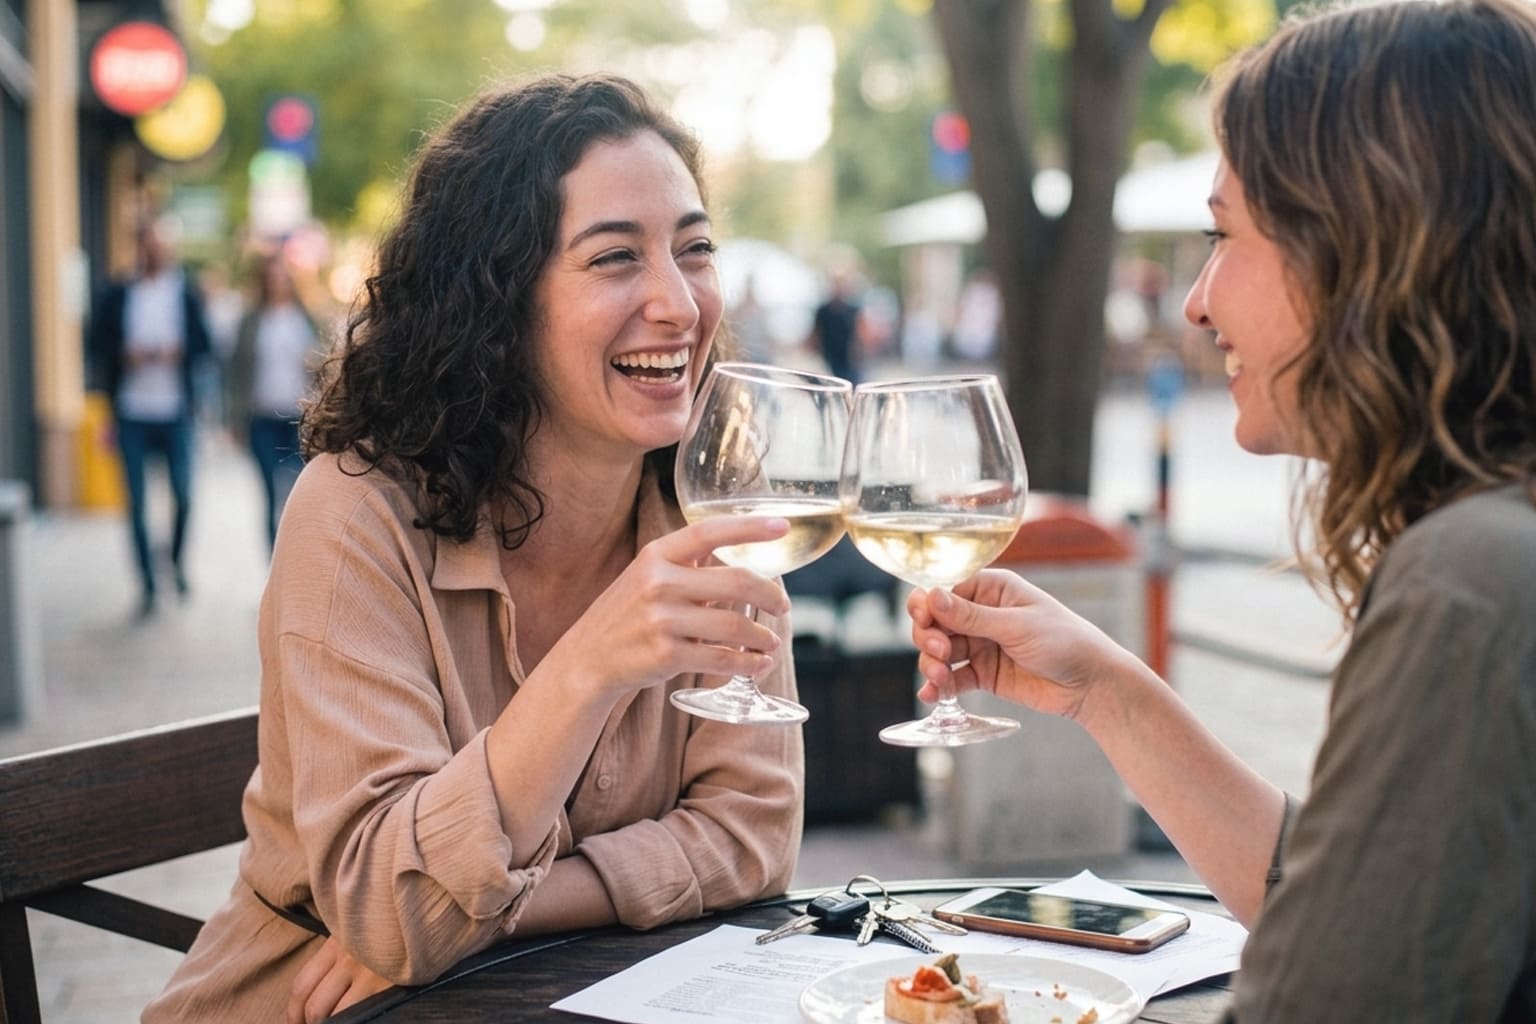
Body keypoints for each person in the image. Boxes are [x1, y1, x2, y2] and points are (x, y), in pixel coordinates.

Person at [907, 2, 1536, 1020]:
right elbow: (1342, 913)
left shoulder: (1471, 577)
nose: (1197, 301)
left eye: (1225, 234)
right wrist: (1108, 691)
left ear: (1365, 245)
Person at [142, 73, 803, 1023]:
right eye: (616, 258)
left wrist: (495, 915)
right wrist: (590, 669)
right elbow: (395, 910)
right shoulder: (359, 513)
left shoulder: (710, 506)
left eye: (693, 250)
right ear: (498, 296)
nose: (678, 303)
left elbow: (755, 836)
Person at [87, 215, 214, 618]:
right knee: (136, 502)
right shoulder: (119, 293)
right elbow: (96, 343)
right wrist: (125, 354)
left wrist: (179, 351)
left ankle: (173, 562)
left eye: (160, 245)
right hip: (132, 411)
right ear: (139, 248)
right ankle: (146, 582)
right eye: (148, 244)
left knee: (183, 494)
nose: (154, 252)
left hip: (175, 410)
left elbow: (205, 343)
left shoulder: (184, 293)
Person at [225, 251, 326, 548]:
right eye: (271, 279)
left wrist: (314, 362)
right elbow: (235, 371)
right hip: (262, 417)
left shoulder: (306, 319)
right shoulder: (250, 322)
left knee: (297, 492)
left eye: (282, 278)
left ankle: (299, 557)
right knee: (270, 491)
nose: (277, 284)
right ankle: (275, 564)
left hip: (299, 418)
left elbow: (327, 362)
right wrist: (234, 418)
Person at [805, 264, 864, 383]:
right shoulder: (823, 310)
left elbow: (860, 337)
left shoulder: (853, 310)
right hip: (828, 363)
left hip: (849, 365)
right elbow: (814, 338)